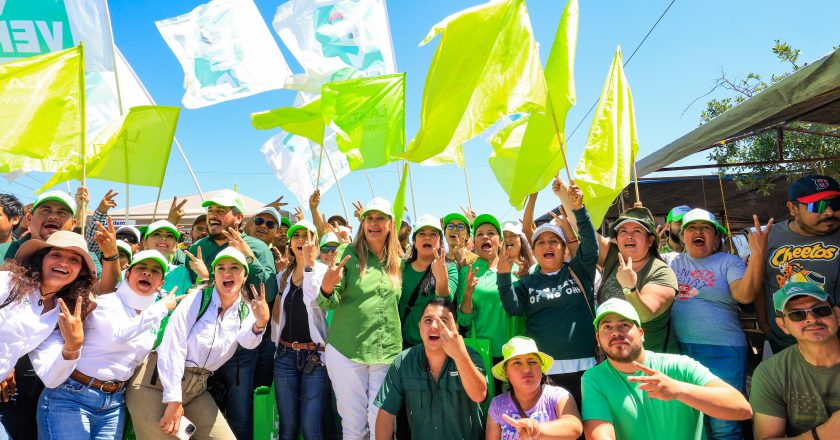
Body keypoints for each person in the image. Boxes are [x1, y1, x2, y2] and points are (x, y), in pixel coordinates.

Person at [125, 247, 270, 439]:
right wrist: (174, 400)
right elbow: (172, 347)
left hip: (196, 390)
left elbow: (248, 341)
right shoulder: (197, 299)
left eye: (234, 268)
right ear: (214, 275)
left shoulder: (244, 309)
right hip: (153, 384)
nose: (227, 273)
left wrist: (261, 322)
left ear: (244, 276)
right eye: (220, 268)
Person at [35, 250, 181, 439]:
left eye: (155, 271)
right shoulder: (108, 303)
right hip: (71, 396)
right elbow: (118, 335)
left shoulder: (152, 316)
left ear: (161, 283)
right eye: (142, 268)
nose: (147, 273)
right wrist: (161, 308)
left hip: (113, 403)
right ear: (127, 274)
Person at [665, 209, 772, 439]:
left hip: (722, 350)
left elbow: (744, 295)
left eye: (705, 228)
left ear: (716, 238)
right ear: (682, 236)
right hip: (681, 352)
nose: (698, 232)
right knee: (696, 423)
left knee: (724, 424)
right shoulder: (670, 262)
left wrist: (757, 256)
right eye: (692, 228)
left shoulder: (728, 261)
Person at [581, 298, 752, 439]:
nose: (616, 333)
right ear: (597, 338)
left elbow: (742, 409)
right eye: (607, 327)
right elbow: (600, 435)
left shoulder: (680, 365)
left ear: (641, 334)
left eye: (624, 325)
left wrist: (678, 390)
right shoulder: (593, 378)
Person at [184, 189, 278, 440]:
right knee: (195, 416)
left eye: (220, 211)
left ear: (238, 218)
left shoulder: (257, 247)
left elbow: (268, 292)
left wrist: (247, 254)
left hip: (240, 351)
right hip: (199, 351)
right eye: (210, 211)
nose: (213, 216)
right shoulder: (197, 248)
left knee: (238, 416)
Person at [498, 181, 597, 408]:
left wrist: (580, 210)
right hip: (545, 371)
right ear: (534, 251)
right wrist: (503, 277)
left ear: (564, 249)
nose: (547, 245)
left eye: (554, 241)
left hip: (586, 368)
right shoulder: (528, 282)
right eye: (540, 242)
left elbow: (591, 246)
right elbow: (513, 308)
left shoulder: (579, 272)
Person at [318, 197, 403, 440]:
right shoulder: (347, 253)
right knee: (354, 427)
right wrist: (326, 287)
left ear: (390, 224)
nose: (374, 223)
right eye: (369, 218)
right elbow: (328, 300)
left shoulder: (398, 261)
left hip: (386, 353)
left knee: (382, 426)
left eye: (380, 218)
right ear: (362, 223)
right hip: (347, 351)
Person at [0, 231, 96, 440]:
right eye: (56, 254)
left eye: (74, 259)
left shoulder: (56, 317)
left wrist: (72, 347)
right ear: (41, 258)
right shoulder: (7, 284)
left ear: (80, 272)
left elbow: (51, 378)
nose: (64, 262)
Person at [374, 298, 487, 440]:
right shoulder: (403, 362)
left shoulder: (471, 357)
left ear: (455, 328)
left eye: (442, 321)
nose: (434, 326)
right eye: (428, 320)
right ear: (419, 325)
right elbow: (386, 415)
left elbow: (479, 394)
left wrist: (459, 355)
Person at [757, 174, 840, 353]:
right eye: (817, 206)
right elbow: (760, 284)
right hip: (785, 342)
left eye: (836, 204)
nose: (829, 212)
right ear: (793, 208)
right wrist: (763, 322)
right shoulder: (770, 237)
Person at [750, 282, 840, 439]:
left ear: (837, 316)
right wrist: (822, 435)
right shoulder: (770, 373)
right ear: (783, 325)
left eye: (821, 310)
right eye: (797, 314)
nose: (812, 319)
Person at [270, 220, 331, 440]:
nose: (301, 241)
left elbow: (314, 300)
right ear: (290, 242)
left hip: (315, 356)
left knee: (310, 426)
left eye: (307, 236)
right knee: (288, 426)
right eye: (297, 236)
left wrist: (309, 264)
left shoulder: (324, 272)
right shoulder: (281, 277)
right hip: (285, 355)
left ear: (315, 242)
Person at [596, 207, 679, 353]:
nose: (629, 236)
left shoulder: (661, 272)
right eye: (623, 231)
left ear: (650, 240)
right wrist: (573, 204)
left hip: (652, 363)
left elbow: (645, 315)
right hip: (616, 359)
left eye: (637, 231)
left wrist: (630, 288)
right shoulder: (614, 257)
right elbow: (583, 231)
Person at [458, 213, 523, 369]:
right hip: (481, 352)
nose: (485, 237)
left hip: (515, 350)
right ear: (474, 242)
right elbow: (464, 320)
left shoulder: (517, 270)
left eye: (491, 233)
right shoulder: (467, 272)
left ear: (500, 241)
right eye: (480, 234)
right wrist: (467, 293)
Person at [486, 336, 582, 440]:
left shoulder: (558, 396)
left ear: (541, 367)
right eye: (517, 363)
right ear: (506, 372)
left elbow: (575, 426)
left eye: (532, 362)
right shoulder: (497, 404)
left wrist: (537, 430)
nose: (526, 369)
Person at [400, 214, 457, 348]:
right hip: (403, 345)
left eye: (433, 234)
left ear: (440, 241)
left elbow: (445, 302)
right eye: (422, 234)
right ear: (414, 240)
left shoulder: (450, 267)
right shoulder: (402, 267)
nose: (427, 237)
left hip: (436, 345)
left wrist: (441, 277)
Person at [144, 220, 194, 296]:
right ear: (145, 243)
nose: (163, 238)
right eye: (157, 234)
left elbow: (192, 300)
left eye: (169, 236)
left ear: (176, 246)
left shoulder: (182, 272)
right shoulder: (131, 271)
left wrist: (203, 278)